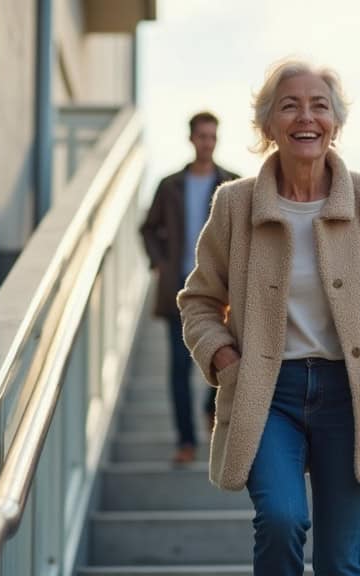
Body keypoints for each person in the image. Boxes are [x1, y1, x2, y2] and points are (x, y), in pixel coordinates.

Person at [177, 60, 360, 575]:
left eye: (320, 105)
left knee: (341, 564)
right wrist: (226, 358)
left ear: (335, 123)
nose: (306, 116)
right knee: (280, 519)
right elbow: (200, 301)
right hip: (268, 394)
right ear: (268, 125)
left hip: (351, 394)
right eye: (290, 105)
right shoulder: (234, 204)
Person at [140, 111, 240, 464]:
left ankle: (210, 408)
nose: (207, 143)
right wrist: (160, 263)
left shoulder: (232, 184)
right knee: (179, 368)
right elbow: (147, 228)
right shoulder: (170, 186)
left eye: (212, 136)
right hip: (179, 291)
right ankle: (186, 441)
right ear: (191, 139)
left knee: (223, 358)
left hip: (222, 293)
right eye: (202, 136)